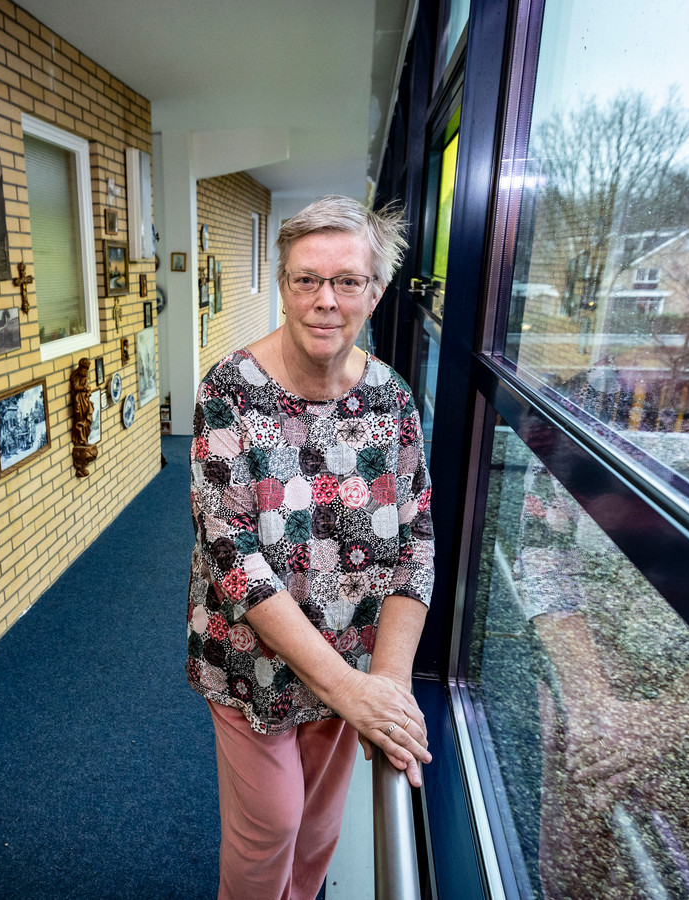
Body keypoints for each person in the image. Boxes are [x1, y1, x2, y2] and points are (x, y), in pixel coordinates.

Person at [187, 195, 434, 900]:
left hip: (351, 654)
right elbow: (232, 556)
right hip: (250, 662)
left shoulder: (393, 401)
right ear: (284, 287)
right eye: (306, 280)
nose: (325, 300)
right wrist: (351, 688)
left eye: (347, 281)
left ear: (376, 292)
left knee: (320, 830)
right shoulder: (231, 392)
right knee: (271, 826)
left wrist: (382, 682)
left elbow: (417, 539)